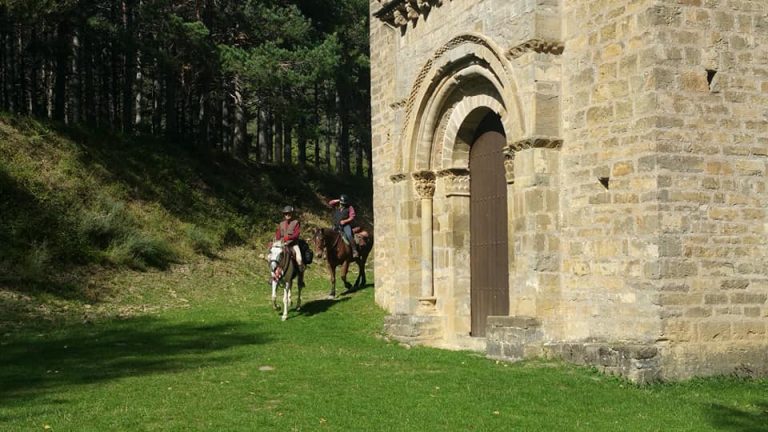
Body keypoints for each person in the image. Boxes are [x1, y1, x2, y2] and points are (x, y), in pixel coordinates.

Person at [274, 205, 304, 272]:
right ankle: (273, 273)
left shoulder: (296, 222)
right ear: (284, 215)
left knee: (299, 258)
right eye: (286, 214)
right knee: (273, 256)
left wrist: (288, 238)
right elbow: (278, 234)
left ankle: (300, 273)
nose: (287, 215)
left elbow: (297, 234)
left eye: (289, 213)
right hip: (282, 244)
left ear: (292, 214)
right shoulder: (281, 224)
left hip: (293, 244)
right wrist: (276, 241)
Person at [328, 194, 358, 258]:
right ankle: (326, 252)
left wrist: (345, 221)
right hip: (336, 225)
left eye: (344, 203)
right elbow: (330, 203)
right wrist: (339, 200)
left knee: (349, 235)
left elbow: (352, 217)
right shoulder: (336, 205)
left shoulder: (350, 207)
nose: (342, 205)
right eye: (342, 203)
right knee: (328, 236)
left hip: (345, 226)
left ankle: (354, 250)